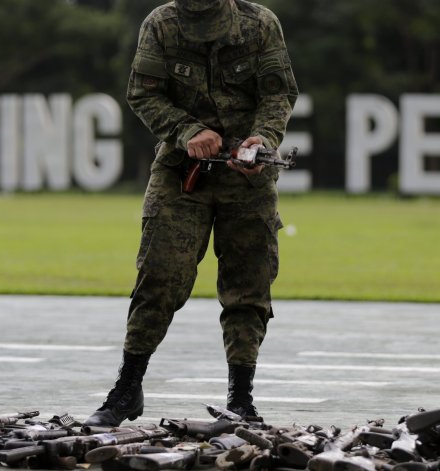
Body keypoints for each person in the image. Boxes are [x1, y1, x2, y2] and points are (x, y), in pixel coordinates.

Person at [84, 0, 298, 427]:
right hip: (181, 172)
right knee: (160, 276)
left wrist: (261, 138)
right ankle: (127, 389)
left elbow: (278, 94)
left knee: (247, 287)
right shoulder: (160, 25)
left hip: (248, 177)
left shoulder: (260, 24)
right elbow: (143, 93)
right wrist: (187, 131)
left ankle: (241, 399)